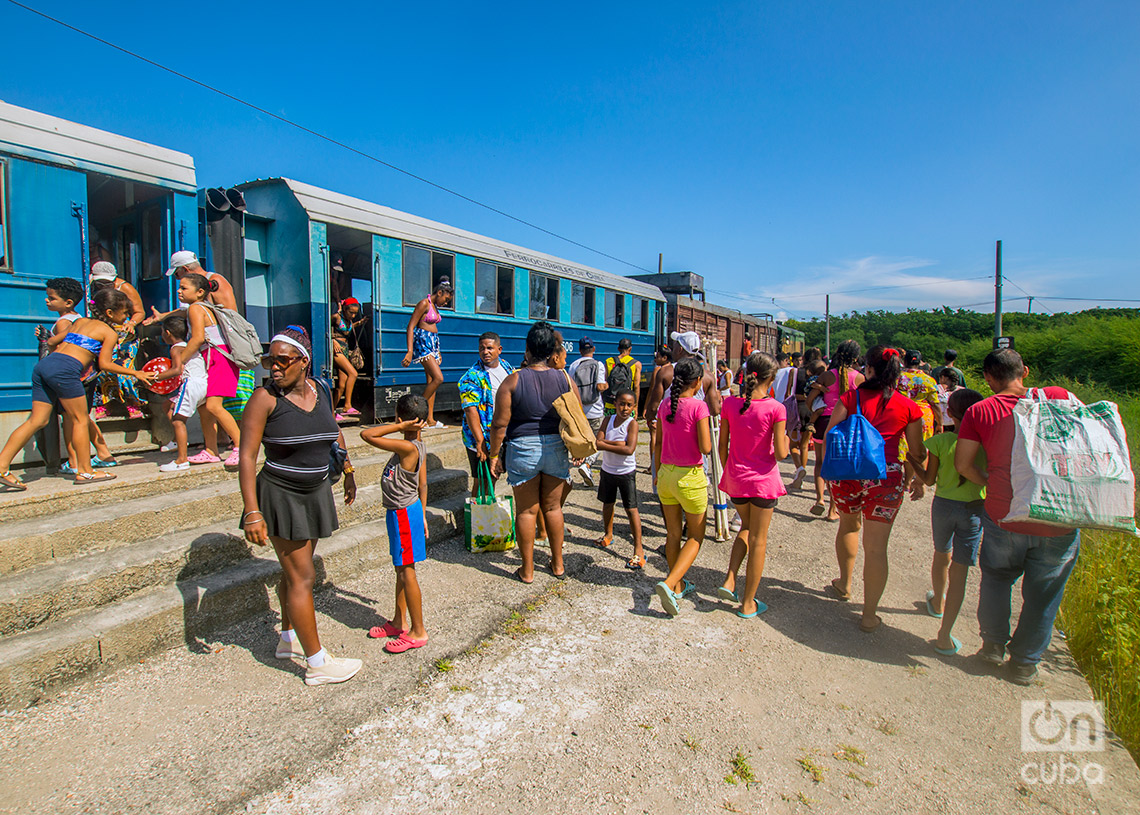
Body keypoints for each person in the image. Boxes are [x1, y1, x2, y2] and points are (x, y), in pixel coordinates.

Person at [238, 326, 362, 686]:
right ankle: (317, 663)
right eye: (269, 360)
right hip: (281, 495)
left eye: (281, 360)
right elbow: (247, 457)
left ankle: (288, 638)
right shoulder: (264, 399)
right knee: (302, 577)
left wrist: (349, 469)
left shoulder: (320, 389)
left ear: (304, 361)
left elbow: (333, 430)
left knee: (294, 573)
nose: (273, 368)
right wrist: (252, 510)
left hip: (316, 490)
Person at [954, 349, 1080, 685]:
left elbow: (963, 465)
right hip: (1059, 516)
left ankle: (993, 647)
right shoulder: (1059, 397)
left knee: (996, 579)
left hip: (1005, 513)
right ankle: (1024, 663)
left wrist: (992, 482)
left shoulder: (980, 410)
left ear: (988, 379)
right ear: (1025, 370)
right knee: (1044, 594)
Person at [0, 289, 155, 490]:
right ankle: (85, 471)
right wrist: (137, 374)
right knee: (81, 420)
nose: (126, 317)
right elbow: (106, 364)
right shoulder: (108, 332)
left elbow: (51, 341)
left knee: (37, 420)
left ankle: (2, 466)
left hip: (45, 366)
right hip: (65, 371)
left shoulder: (79, 323)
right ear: (109, 313)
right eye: (125, 313)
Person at [823, 346, 925, 633]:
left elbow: (832, 433)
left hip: (848, 475)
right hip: (887, 476)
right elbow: (917, 452)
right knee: (877, 548)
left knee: (848, 526)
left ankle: (844, 584)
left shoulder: (850, 398)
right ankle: (869, 614)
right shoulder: (909, 407)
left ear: (868, 369)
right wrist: (918, 478)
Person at [489, 321, 579, 583]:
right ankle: (558, 564)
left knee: (527, 511)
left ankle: (527, 570)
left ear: (527, 348)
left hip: (522, 449)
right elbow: (577, 416)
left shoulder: (513, 380)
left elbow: (500, 424)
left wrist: (495, 455)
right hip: (556, 448)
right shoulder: (564, 378)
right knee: (553, 508)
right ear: (553, 350)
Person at [915, 388, 987, 656]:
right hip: (975, 508)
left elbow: (929, 479)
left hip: (943, 506)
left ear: (951, 413)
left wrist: (911, 461)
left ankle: (937, 601)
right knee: (961, 570)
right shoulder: (987, 442)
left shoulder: (940, 441)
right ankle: (945, 635)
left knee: (941, 553)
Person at [717, 352, 788, 618]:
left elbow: (722, 445)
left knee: (745, 528)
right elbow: (781, 453)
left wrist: (731, 470)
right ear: (771, 378)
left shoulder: (730, 404)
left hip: (737, 479)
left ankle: (730, 579)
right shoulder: (775, 408)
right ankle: (748, 602)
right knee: (759, 539)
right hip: (763, 482)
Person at [361, 394, 431, 654]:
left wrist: (400, 427)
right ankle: (398, 621)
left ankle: (418, 631)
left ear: (399, 418)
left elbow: (367, 436)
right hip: (404, 513)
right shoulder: (418, 444)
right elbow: (422, 484)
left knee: (406, 572)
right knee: (400, 569)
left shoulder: (408, 448)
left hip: (403, 514)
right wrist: (423, 513)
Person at [160, 251, 251, 429]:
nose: (178, 287)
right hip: (210, 353)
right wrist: (161, 317)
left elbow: (229, 317)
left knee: (218, 404)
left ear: (185, 270)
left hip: (220, 352)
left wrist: (180, 360)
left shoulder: (212, 286)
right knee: (208, 405)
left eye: (178, 276)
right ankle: (214, 447)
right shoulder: (196, 304)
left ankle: (239, 445)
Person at [36, 278, 118, 472]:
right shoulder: (79, 318)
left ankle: (74, 461)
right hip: (84, 374)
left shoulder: (64, 322)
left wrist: (47, 340)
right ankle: (102, 452)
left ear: (68, 302)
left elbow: (63, 345)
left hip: (73, 374)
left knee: (72, 419)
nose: (47, 301)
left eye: (51, 298)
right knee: (81, 417)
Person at [652, 358, 712, 617]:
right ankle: (668, 582)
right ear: (698, 381)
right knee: (696, 536)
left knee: (672, 534)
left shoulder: (666, 404)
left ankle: (677, 584)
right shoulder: (699, 407)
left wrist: (655, 474)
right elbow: (706, 448)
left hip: (665, 475)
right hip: (690, 478)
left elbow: (658, 443)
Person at [176, 273, 243, 468]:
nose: (179, 291)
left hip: (218, 359)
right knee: (205, 408)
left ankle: (240, 446)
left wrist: (180, 362)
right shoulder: (204, 307)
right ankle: (211, 450)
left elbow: (196, 339)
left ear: (200, 292)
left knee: (213, 406)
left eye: (184, 288)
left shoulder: (196, 308)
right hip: (215, 358)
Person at [805, 340, 864, 519]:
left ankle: (820, 499)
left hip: (823, 423)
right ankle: (833, 509)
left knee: (820, 463)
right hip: (846, 427)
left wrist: (816, 410)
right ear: (855, 357)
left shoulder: (826, 376)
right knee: (838, 467)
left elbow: (810, 400)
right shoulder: (860, 378)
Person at [458, 332, 514, 497]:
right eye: (482, 348)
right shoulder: (472, 376)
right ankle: (477, 518)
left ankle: (487, 515)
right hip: (481, 437)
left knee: (493, 476)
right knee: (482, 479)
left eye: (490, 348)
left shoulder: (506, 368)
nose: (485, 352)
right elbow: (470, 409)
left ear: (499, 349)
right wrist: (480, 441)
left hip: (500, 434)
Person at [594, 389, 644, 568]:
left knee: (631, 509)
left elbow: (629, 449)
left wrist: (607, 444)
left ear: (634, 407)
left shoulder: (632, 424)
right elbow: (597, 443)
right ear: (615, 404)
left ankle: (638, 548)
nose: (625, 408)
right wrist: (619, 443)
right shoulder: (607, 420)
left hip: (626, 472)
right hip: (607, 470)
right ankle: (608, 535)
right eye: (622, 404)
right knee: (607, 504)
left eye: (629, 405)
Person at [153, 313, 208, 472]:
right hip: (203, 384)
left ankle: (181, 460)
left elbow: (177, 369)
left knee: (178, 420)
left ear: (167, 333)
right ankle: (177, 441)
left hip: (191, 384)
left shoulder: (175, 348)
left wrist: (155, 377)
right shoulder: (187, 346)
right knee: (168, 404)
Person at [87, 277, 147, 421]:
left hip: (125, 339)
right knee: (103, 373)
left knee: (123, 369)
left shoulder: (125, 289)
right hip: (110, 341)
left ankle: (132, 402)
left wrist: (131, 323)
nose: (127, 315)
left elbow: (139, 312)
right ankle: (105, 403)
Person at [402, 278, 453, 428]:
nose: (446, 303)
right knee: (438, 378)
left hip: (433, 345)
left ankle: (429, 419)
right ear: (439, 292)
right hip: (423, 344)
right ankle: (415, 412)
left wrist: (438, 352)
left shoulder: (435, 307)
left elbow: (434, 332)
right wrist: (410, 351)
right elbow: (410, 326)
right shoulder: (424, 304)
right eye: (446, 299)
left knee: (432, 383)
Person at [644, 331, 721, 425]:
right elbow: (715, 410)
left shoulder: (665, 372)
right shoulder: (708, 376)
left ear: (680, 349)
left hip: (670, 431)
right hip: (695, 431)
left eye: (675, 346)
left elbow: (653, 408)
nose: (672, 349)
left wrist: (650, 419)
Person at [898, 350, 943, 499]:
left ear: (904, 361)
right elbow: (935, 403)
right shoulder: (929, 379)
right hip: (923, 416)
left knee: (903, 446)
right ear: (920, 363)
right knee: (920, 449)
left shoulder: (899, 378)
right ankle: (915, 480)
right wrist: (939, 423)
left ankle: (904, 481)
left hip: (902, 412)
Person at [568, 336, 608, 486]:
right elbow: (599, 387)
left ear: (579, 350)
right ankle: (588, 464)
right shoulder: (598, 364)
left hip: (580, 411)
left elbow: (571, 388)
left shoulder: (573, 365)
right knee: (598, 441)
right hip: (596, 410)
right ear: (594, 349)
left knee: (584, 441)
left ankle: (586, 473)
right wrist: (607, 386)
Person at [331, 298, 367, 418]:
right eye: (350, 312)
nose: (352, 315)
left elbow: (348, 329)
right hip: (337, 350)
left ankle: (332, 412)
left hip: (344, 350)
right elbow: (324, 327)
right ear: (344, 309)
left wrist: (360, 322)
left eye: (355, 313)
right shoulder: (336, 317)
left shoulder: (348, 322)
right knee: (353, 373)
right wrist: (332, 340)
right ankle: (347, 405)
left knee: (341, 385)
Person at [605, 338, 642, 413]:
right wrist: (635, 406)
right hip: (627, 406)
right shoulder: (636, 364)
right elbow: (636, 386)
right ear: (630, 349)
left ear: (618, 349)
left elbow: (605, 383)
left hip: (611, 404)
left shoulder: (608, 361)